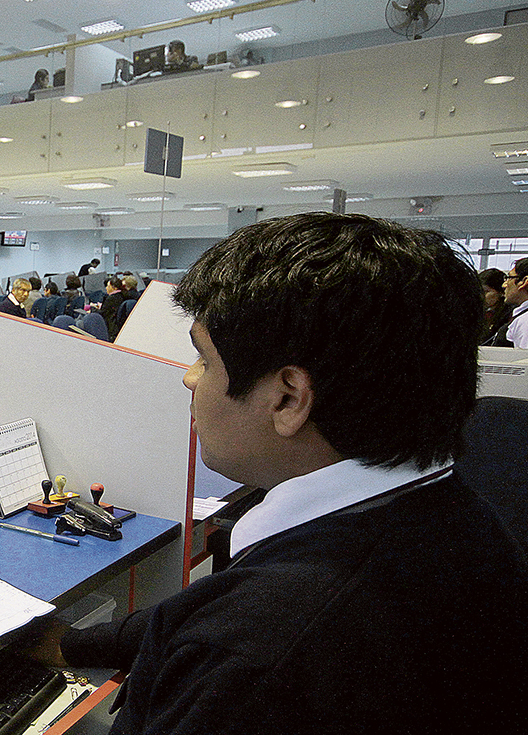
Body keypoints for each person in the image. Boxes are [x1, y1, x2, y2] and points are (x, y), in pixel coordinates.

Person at [30, 212, 528, 733]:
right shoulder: (445, 511)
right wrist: (68, 644)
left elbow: (235, 634)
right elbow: (201, 613)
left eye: (203, 358)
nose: (188, 378)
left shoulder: (257, 661)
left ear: (288, 397)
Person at [478, 267, 511, 344]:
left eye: (486, 291)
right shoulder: (474, 312)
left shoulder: (508, 316)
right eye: (479, 291)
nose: (481, 295)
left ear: (501, 292)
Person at [501, 258, 528, 348]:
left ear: (523, 282)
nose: (504, 285)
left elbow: (523, 359)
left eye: (509, 278)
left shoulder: (525, 321)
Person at [99, 274, 126, 338]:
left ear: (115, 288)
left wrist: (92, 309)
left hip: (110, 328)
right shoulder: (121, 296)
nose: (106, 288)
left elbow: (102, 313)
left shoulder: (111, 298)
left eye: (108, 286)